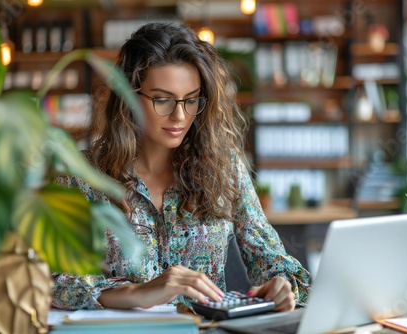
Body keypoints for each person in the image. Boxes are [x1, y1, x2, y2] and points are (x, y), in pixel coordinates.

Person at [52, 21, 311, 312]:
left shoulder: (224, 169)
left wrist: (283, 284)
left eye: (191, 101)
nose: (179, 116)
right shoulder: (81, 176)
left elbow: (274, 261)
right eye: (162, 99)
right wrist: (137, 293)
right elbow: (53, 279)